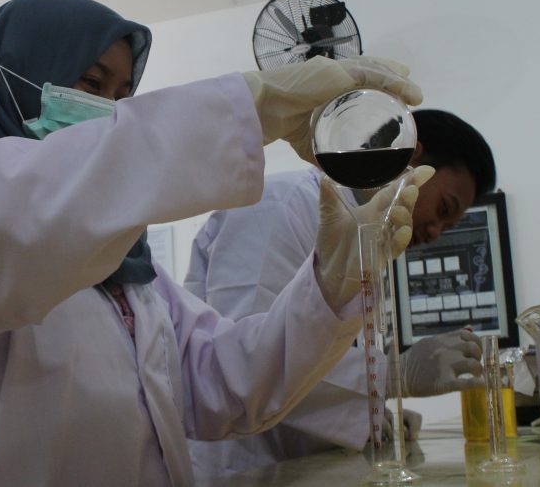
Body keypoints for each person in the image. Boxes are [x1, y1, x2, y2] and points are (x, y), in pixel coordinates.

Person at [0, 0, 430, 487]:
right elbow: (41, 208)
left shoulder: (134, 282)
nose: (109, 110)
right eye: (91, 83)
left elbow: (229, 383)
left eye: (124, 95)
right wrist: (250, 106)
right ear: (14, 77)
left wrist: (331, 283)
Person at [185, 109, 497, 478]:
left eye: (447, 226)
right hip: (244, 469)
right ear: (412, 155)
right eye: (444, 209)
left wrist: (373, 416)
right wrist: (390, 376)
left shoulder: (366, 241)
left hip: (297, 469)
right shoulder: (283, 206)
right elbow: (245, 368)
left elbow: (318, 350)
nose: (435, 233)